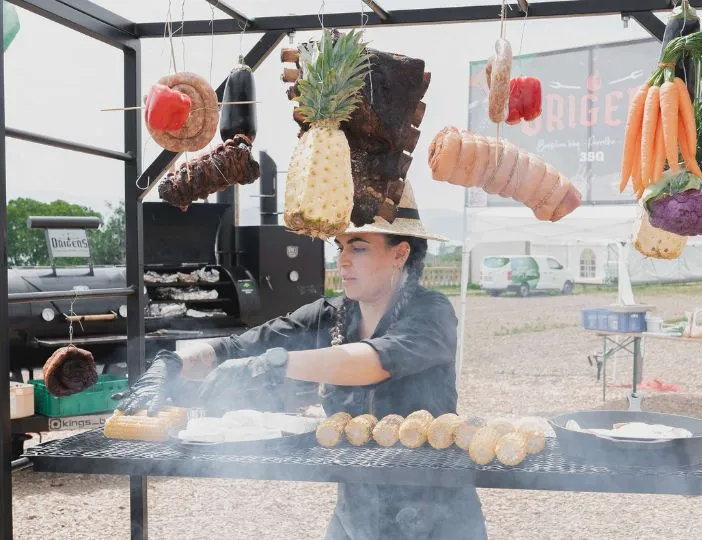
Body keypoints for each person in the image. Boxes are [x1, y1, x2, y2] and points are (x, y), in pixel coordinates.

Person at [113, 182, 489, 540]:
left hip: (433, 515)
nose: (342, 261)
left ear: (400, 253)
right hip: (356, 513)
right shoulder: (331, 314)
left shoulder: (431, 313)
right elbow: (239, 346)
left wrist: (278, 363)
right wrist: (172, 364)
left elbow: (372, 361)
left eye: (358, 248)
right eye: (339, 247)